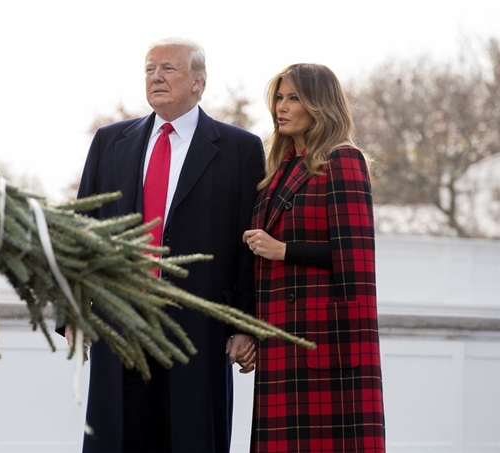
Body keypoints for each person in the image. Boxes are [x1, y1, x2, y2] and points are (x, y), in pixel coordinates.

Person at [68, 37, 265, 452]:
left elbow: (247, 246)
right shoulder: (109, 141)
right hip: (119, 327)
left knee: (192, 441)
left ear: (198, 82)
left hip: (199, 333)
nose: (156, 76)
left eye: (168, 68)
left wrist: (244, 325)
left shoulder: (240, 149)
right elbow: (81, 231)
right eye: (149, 69)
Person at [241, 63, 386, 452]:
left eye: (293, 98)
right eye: (278, 97)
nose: (280, 108)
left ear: (319, 105)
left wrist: (283, 250)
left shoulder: (343, 160)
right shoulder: (279, 168)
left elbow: (357, 260)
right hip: (280, 338)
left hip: (325, 347)